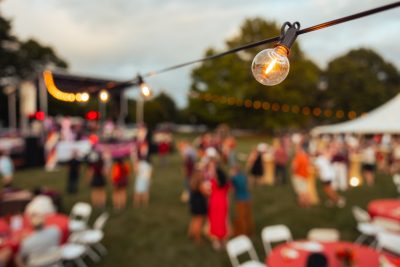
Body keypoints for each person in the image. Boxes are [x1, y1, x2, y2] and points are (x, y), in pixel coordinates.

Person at [205, 148, 230, 251]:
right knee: (223, 221)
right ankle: (223, 240)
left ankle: (217, 241)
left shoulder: (212, 182)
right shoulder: (225, 182)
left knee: (215, 222)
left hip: (214, 202)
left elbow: (208, 190)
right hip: (223, 201)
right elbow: (228, 188)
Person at [231, 165, 253, 236]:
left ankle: (244, 233)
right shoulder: (244, 176)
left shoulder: (234, 178)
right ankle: (249, 231)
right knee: (248, 216)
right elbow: (248, 185)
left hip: (240, 199)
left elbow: (232, 189)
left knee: (241, 217)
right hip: (248, 198)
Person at [187, 167, 208, 243]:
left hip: (193, 203)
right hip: (199, 204)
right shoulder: (200, 184)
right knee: (199, 221)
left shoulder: (192, 182)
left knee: (194, 219)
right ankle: (197, 237)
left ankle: (191, 233)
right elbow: (206, 193)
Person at [291, 143, 312, 207]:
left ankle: (302, 204)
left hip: (298, 176)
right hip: (305, 176)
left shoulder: (298, 157)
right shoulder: (305, 156)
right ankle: (308, 203)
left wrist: (292, 172)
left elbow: (294, 167)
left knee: (300, 192)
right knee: (305, 191)